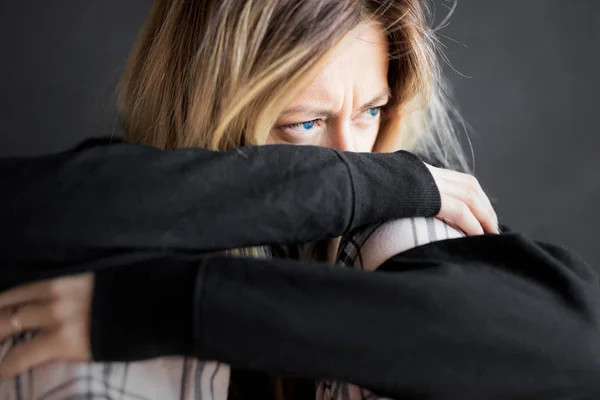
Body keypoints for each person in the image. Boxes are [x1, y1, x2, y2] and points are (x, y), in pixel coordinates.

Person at [0, 0, 599, 399]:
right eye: (305, 123)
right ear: (215, 103)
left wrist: (173, 310)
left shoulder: (398, 216)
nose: (355, 152)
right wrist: (357, 185)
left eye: (370, 111)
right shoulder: (108, 200)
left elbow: (576, 342)